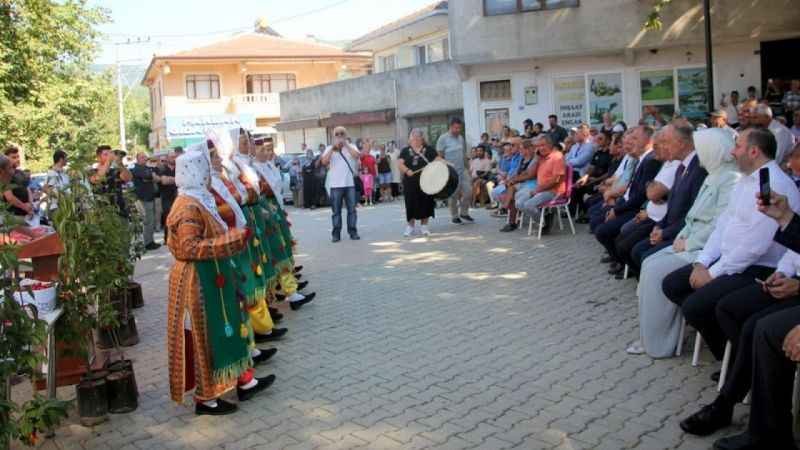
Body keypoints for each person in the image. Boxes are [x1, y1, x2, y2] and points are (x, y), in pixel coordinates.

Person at [661, 127, 800, 364]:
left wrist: (712, 274)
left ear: (754, 151)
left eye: (737, 146)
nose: (732, 152)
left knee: (701, 306)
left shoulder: (775, 185)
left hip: (756, 267)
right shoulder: (743, 181)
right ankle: (728, 353)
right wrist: (702, 263)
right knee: (673, 284)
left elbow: (754, 247)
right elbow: (722, 226)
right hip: (729, 261)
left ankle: (738, 363)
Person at [165, 143, 273, 416]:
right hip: (197, 280)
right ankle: (206, 399)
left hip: (210, 275)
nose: (206, 172)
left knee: (224, 329)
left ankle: (241, 383)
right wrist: (228, 242)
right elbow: (189, 247)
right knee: (204, 338)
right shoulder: (187, 205)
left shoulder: (196, 197)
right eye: (202, 167)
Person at [632, 128, 740, 357]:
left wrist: (689, 242)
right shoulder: (714, 174)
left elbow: (721, 225)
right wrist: (682, 235)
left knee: (655, 271)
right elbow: (693, 216)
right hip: (690, 241)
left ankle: (659, 342)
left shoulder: (730, 178)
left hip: (705, 249)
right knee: (649, 262)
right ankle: (650, 335)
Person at [626, 123, 709, 277]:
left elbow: (693, 212)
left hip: (684, 233)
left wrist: (664, 233)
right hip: (669, 228)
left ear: (681, 143)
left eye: (665, 142)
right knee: (636, 249)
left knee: (643, 254)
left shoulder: (698, 169)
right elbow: (671, 205)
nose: (662, 147)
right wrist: (659, 227)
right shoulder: (681, 167)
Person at [595, 126, 662, 265]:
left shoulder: (651, 161)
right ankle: (618, 259)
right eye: (630, 139)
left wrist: (617, 210)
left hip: (637, 209)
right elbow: (631, 191)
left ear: (649, 141)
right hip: (629, 204)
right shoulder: (641, 159)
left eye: (635, 139)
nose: (631, 142)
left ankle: (621, 262)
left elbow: (641, 196)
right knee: (597, 220)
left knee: (603, 230)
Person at [517, 135, 566, 233]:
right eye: (538, 146)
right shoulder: (541, 157)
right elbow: (530, 172)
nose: (540, 148)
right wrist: (536, 157)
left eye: (543, 145)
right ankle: (544, 218)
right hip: (541, 189)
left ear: (550, 145)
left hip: (553, 191)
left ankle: (544, 224)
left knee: (528, 205)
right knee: (519, 203)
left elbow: (555, 180)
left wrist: (538, 190)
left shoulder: (557, 157)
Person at [398, 129, 440, 237]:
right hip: (410, 182)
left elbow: (438, 159)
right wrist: (407, 171)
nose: (415, 140)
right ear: (410, 139)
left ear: (422, 139)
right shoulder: (405, 151)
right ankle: (410, 226)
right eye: (413, 138)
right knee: (410, 203)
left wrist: (440, 164)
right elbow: (400, 164)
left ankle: (424, 226)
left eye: (418, 138)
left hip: (427, 181)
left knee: (426, 202)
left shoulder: (429, 149)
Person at [321, 126, 361, 242]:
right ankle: (336, 234)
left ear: (346, 135)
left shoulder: (351, 146)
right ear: (334, 136)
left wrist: (346, 145)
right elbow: (324, 161)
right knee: (336, 211)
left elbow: (357, 156)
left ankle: (353, 232)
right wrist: (333, 149)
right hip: (335, 185)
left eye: (342, 133)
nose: (339, 136)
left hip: (349, 184)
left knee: (352, 210)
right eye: (337, 134)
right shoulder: (329, 148)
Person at [436, 117, 474, 224]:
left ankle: (464, 213)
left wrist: (468, 168)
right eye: (456, 128)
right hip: (451, 172)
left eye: (459, 128)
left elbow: (463, 155)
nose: (458, 130)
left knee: (468, 192)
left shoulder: (461, 138)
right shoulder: (443, 139)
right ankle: (454, 215)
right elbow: (439, 157)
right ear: (451, 127)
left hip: (463, 170)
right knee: (454, 195)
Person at [90, 146, 132, 217]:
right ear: (98, 157)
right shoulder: (92, 172)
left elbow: (128, 178)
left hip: (120, 210)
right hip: (103, 213)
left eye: (110, 154)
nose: (110, 157)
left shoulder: (115, 171)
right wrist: (109, 161)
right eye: (106, 154)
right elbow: (97, 179)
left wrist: (120, 164)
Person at [131, 152, 161, 251]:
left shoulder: (147, 168)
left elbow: (156, 176)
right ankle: (148, 243)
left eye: (145, 157)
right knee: (148, 221)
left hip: (150, 198)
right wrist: (152, 176)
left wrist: (152, 175)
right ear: (137, 159)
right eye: (142, 157)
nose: (145, 159)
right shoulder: (136, 169)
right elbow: (149, 176)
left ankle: (150, 241)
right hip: (143, 199)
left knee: (151, 221)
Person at [3, 146, 33, 218]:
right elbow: (9, 197)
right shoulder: (4, 175)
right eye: (13, 157)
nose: (17, 159)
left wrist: (30, 205)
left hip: (27, 214)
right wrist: (25, 207)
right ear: (6, 159)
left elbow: (27, 189)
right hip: (13, 216)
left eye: (18, 157)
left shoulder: (20, 172)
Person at [43, 149, 70, 218]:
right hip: (56, 207)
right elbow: (45, 188)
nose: (67, 160)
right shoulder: (52, 173)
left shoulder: (64, 172)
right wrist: (59, 197)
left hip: (66, 206)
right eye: (66, 158)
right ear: (61, 159)